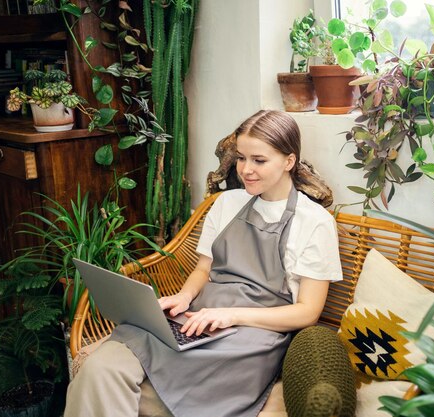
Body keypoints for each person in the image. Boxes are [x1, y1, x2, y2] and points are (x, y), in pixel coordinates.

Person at [64, 110, 343, 417]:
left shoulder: (314, 222)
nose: (246, 169)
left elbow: (307, 312)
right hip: (200, 317)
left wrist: (230, 315)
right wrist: (184, 298)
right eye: (241, 158)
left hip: (255, 333)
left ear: (289, 161)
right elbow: (202, 269)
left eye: (259, 160)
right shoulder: (226, 204)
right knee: (101, 369)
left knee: (176, 393)